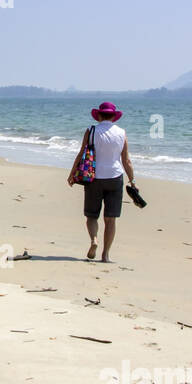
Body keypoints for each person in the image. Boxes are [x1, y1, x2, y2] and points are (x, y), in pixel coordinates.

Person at [66, 101, 136, 263]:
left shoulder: (91, 131)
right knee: (110, 219)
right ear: (114, 116)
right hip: (115, 177)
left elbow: (81, 154)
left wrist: (72, 174)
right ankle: (106, 255)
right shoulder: (121, 133)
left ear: (99, 115)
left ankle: (94, 240)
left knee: (91, 216)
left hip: (93, 178)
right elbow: (126, 160)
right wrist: (132, 181)